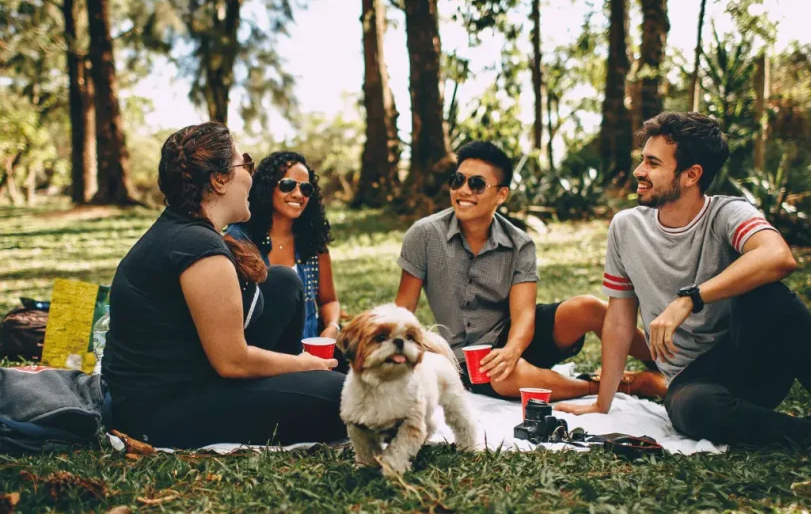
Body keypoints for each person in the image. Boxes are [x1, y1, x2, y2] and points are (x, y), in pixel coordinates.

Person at [557, 112, 811, 464]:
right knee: (693, 410)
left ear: (691, 175)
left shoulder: (727, 212)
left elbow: (778, 256)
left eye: (653, 164)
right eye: (643, 159)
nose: (639, 171)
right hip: (693, 383)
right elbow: (620, 320)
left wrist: (691, 298)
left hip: (751, 362)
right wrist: (601, 404)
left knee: (769, 293)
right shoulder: (626, 227)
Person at [103, 123, 346, 448]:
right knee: (344, 397)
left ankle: (297, 384)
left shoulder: (187, 230)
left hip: (193, 375)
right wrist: (305, 364)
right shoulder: (196, 246)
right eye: (244, 163)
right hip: (162, 410)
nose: (251, 175)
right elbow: (232, 361)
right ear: (219, 180)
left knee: (283, 282)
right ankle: (302, 384)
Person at [395, 141, 666, 402]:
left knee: (588, 307)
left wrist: (512, 350)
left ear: (501, 194)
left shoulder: (519, 243)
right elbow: (403, 309)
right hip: (465, 357)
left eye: (476, 184)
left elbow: (524, 314)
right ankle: (617, 385)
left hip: (515, 336)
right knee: (505, 377)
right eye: (458, 181)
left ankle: (670, 368)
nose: (463, 190)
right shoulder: (425, 235)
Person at [226, 152, 342, 341]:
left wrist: (332, 327)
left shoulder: (312, 241)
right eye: (288, 185)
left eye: (306, 189)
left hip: (310, 352)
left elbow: (329, 300)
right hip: (260, 353)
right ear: (268, 187)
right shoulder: (239, 239)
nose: (298, 194)